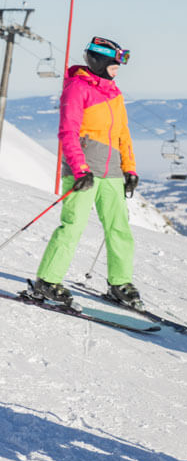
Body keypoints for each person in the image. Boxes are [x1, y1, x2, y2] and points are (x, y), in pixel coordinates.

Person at [32, 36, 142, 308]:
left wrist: (129, 168)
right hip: (83, 172)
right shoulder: (77, 89)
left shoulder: (115, 93)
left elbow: (123, 134)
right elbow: (67, 132)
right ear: (100, 61)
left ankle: (120, 282)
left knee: (119, 229)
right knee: (73, 226)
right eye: (114, 64)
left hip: (112, 171)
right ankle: (48, 280)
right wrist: (80, 169)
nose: (117, 70)